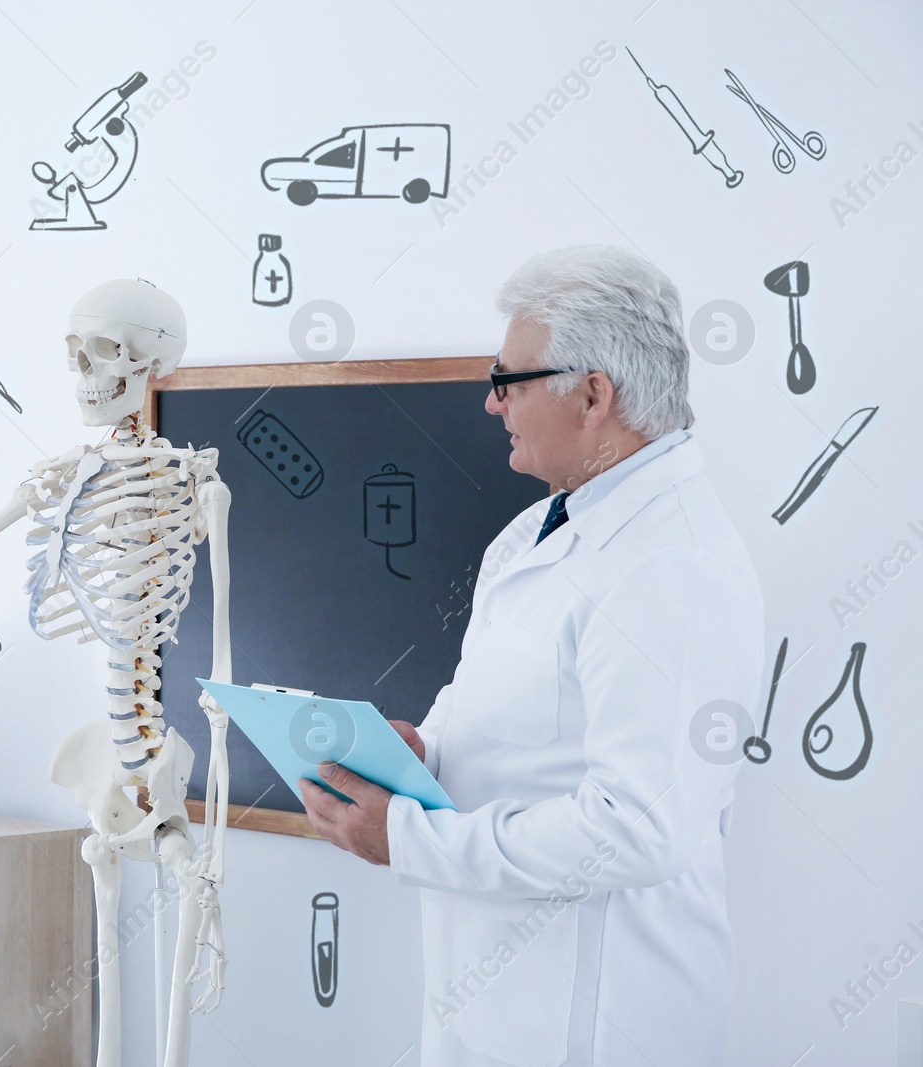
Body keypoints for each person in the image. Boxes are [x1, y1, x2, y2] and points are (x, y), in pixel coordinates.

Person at [299, 245, 764, 1066]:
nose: (489, 402)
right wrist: (422, 753)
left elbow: (639, 825)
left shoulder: (672, 564)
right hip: (496, 1002)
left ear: (593, 394)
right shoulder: (537, 529)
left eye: (506, 380)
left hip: (595, 1023)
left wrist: (409, 839)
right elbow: (504, 711)